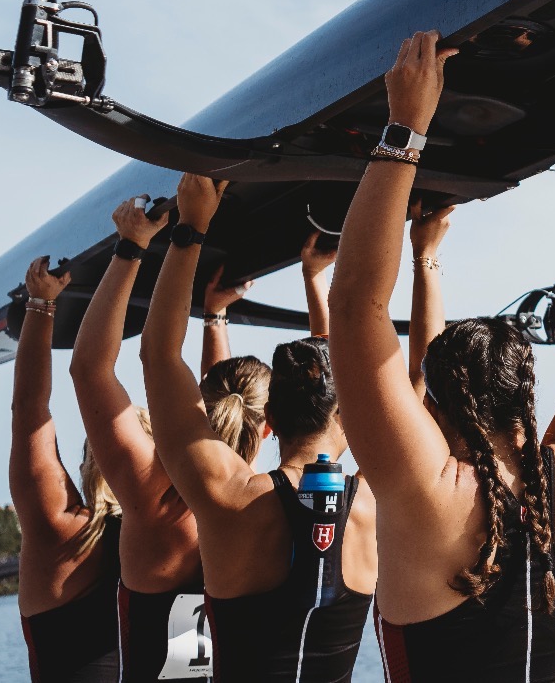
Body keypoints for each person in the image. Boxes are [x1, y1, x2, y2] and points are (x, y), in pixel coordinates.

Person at [329, 31, 555, 682]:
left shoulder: (425, 490)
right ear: (526, 393)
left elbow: (358, 298)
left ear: (437, 404)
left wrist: (408, 123)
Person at [140, 174, 380, 683]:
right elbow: (341, 383)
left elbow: (159, 358)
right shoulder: (379, 506)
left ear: (267, 420)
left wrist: (192, 228)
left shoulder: (230, 500)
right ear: (351, 412)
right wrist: (317, 281)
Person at [72, 193, 213, 681]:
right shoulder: (252, 502)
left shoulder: (156, 507)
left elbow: (90, 370)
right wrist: (215, 317)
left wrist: (132, 245)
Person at [12, 256, 121, 682]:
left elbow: (29, 412)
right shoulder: (179, 531)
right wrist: (214, 316)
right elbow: (230, 434)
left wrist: (40, 305)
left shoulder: (61, 532)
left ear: (84, 464)